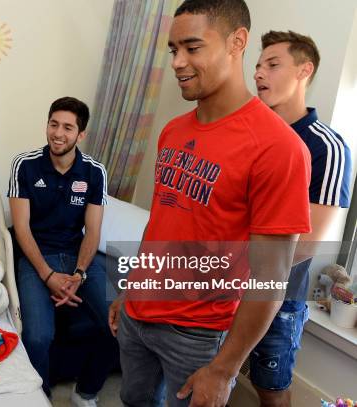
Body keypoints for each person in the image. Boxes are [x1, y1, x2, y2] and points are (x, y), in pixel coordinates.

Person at [107, 1, 312, 406]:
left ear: (237, 42)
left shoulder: (279, 148)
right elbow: (161, 224)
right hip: (137, 315)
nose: (178, 62)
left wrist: (225, 368)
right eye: (172, 50)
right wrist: (130, 289)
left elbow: (271, 275)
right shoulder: (173, 130)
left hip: (196, 333)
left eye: (193, 47)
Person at [252, 30, 352, 407]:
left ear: (304, 71)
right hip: (220, 285)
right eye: (258, 65)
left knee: (271, 391)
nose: (260, 73)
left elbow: (306, 242)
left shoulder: (326, 147)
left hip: (278, 299)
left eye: (273, 65)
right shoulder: (253, 136)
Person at [8, 96, 115, 406]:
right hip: (35, 256)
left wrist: (79, 274)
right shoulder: (25, 165)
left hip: (77, 254)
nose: (58, 133)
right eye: (53, 124)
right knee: (37, 337)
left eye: (68, 127)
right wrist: (48, 275)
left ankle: (86, 392)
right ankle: (40, 396)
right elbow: (23, 229)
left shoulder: (94, 172)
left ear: (81, 135)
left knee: (117, 325)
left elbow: (93, 231)